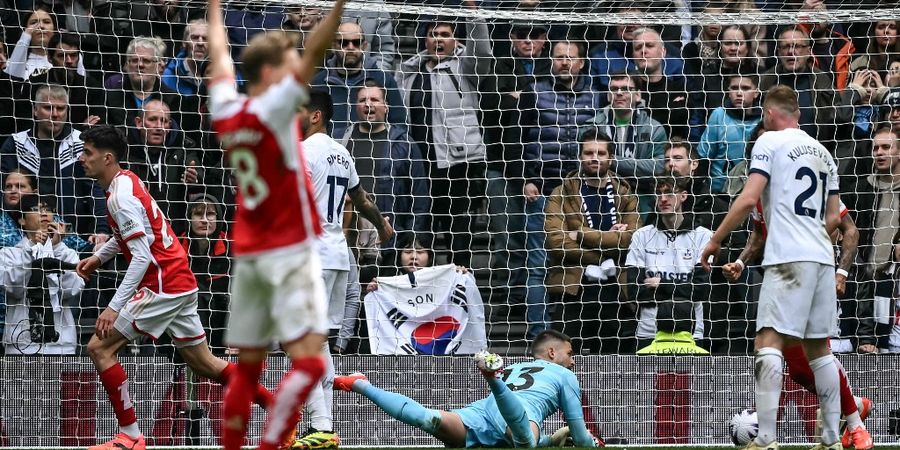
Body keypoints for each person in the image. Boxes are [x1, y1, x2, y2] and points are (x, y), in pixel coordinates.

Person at [74, 125, 274, 450]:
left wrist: (113, 308)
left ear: (107, 157)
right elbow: (138, 235)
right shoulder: (126, 181)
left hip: (161, 284)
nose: (82, 159)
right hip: (180, 279)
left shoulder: (120, 197)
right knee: (204, 363)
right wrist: (99, 257)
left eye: (88, 153)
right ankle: (277, 407)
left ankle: (131, 436)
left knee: (99, 348)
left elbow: (140, 257)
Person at [206, 0, 345, 448]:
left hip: (249, 254)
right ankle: (274, 441)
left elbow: (221, 55)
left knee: (247, 370)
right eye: (286, 63)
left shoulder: (226, 107)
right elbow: (317, 51)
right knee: (308, 363)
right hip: (289, 251)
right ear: (269, 72)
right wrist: (339, 7)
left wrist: (214, 10)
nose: (295, 72)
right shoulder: (275, 108)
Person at [700, 85, 844, 450]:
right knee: (818, 349)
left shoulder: (769, 143)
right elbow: (833, 217)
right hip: (822, 257)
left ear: (768, 113)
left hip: (787, 257)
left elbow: (749, 198)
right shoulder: (824, 153)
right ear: (797, 113)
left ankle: (764, 438)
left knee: (767, 341)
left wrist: (716, 239)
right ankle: (829, 438)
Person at [723, 197, 874, 450]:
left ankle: (851, 424)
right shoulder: (764, 192)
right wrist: (740, 262)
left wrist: (842, 272)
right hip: (782, 278)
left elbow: (850, 228)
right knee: (799, 368)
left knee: (802, 350)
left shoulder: (812, 178)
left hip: (815, 274)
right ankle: (854, 407)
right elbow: (759, 234)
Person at [291, 90, 394, 449]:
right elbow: (361, 199)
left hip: (310, 255)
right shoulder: (341, 152)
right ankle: (324, 428)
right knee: (318, 342)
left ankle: (319, 423)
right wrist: (382, 226)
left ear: (315, 115)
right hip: (337, 255)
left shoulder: (303, 152)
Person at [333, 330, 598, 448]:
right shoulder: (564, 373)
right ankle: (492, 379)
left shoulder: (518, 365)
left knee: (428, 419)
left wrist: (552, 440)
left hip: (485, 412)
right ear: (552, 352)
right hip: (519, 410)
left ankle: (360, 384)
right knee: (525, 443)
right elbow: (582, 438)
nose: (573, 360)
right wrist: (591, 442)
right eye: (570, 353)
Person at [543, 128, 638, 354]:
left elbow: (632, 240)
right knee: (562, 360)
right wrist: (608, 246)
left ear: (611, 157)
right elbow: (557, 243)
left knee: (613, 366)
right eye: (588, 153)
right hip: (573, 288)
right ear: (580, 157)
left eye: (601, 153)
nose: (595, 157)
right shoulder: (561, 193)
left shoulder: (625, 193)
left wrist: (582, 235)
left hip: (616, 290)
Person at [626, 177, 711, 355]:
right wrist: (682, 289)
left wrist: (661, 285)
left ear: (683, 196)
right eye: (659, 194)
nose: (663, 199)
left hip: (691, 334)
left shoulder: (703, 236)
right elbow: (635, 291)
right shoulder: (641, 236)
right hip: (649, 333)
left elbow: (700, 290)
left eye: (670, 193)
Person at [1, 194, 83, 355]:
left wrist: (57, 248)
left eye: (48, 209)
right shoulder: (8, 254)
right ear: (22, 220)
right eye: (36, 209)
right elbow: (15, 289)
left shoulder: (68, 253)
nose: (44, 213)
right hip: (20, 343)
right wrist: (32, 250)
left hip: (62, 343)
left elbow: (70, 291)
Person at [698, 73, 763, 194]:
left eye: (745, 88)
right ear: (728, 91)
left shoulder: (763, 120)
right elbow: (704, 156)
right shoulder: (719, 115)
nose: (739, 93)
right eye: (734, 88)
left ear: (756, 93)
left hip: (753, 191)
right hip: (719, 192)